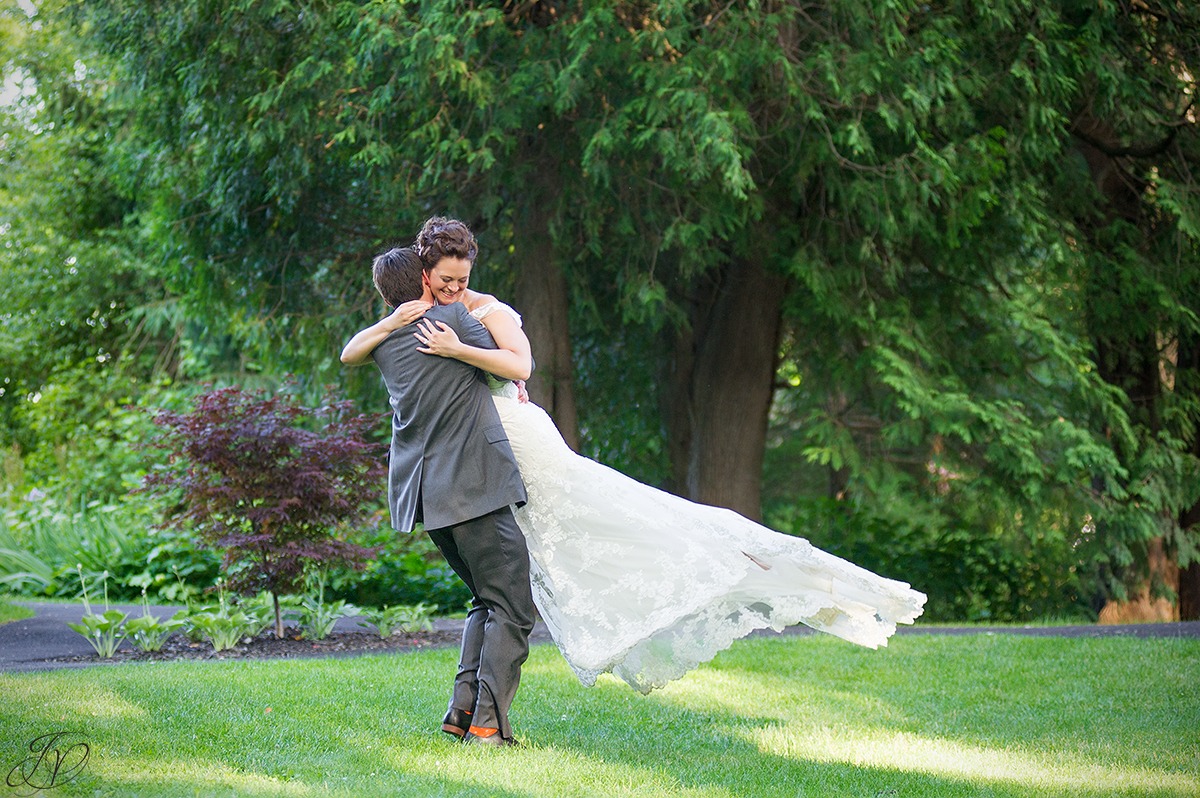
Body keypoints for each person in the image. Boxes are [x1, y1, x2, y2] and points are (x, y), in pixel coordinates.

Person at [344, 217, 927, 695]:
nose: (452, 287)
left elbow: (521, 367)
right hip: (485, 460)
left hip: (522, 451)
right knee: (516, 585)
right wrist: (402, 321)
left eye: (460, 278)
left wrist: (458, 347)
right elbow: (357, 351)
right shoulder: (415, 320)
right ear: (424, 270)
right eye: (444, 279)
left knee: (631, 524)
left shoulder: (480, 314)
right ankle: (479, 710)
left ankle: (760, 564)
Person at [340, 244, 534, 747]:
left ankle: (461, 712)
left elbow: (349, 352)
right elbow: (515, 366)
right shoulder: (450, 323)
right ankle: (489, 726)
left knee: (484, 601)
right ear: (425, 279)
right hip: (473, 489)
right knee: (513, 608)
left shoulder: (383, 341)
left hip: (428, 500)